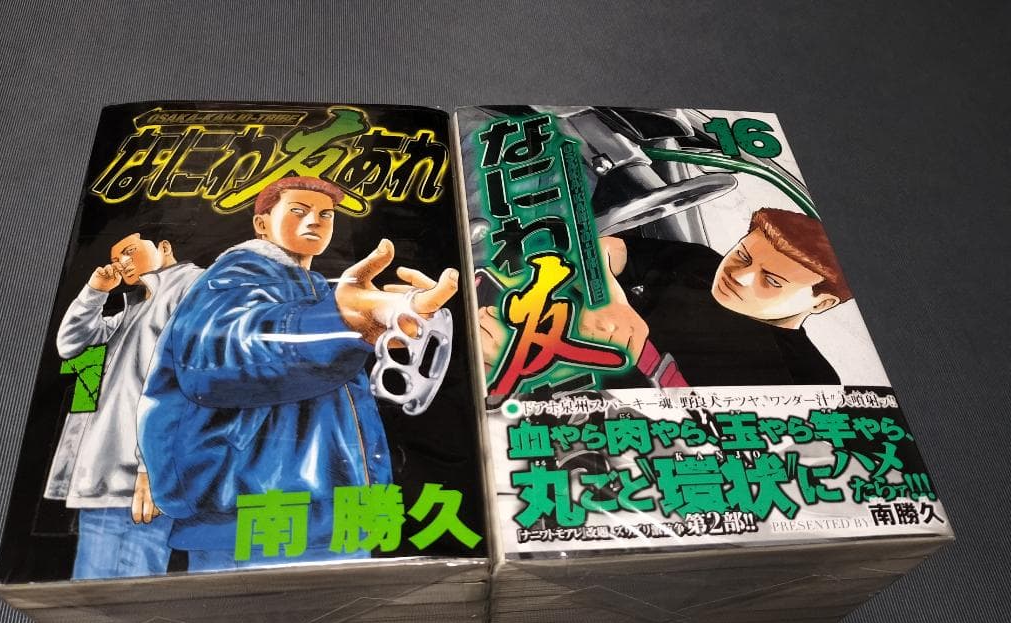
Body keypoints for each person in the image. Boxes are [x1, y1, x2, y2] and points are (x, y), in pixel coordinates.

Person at [138, 175, 458, 572]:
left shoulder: (316, 290)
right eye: (298, 211)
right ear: (261, 223)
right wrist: (343, 321)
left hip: (330, 519)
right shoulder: (233, 277)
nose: (314, 221)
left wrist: (372, 323)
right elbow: (227, 350)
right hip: (260, 525)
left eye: (325, 214)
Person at [479, 208, 852, 387]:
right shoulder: (701, 264)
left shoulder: (808, 379)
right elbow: (601, 249)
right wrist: (609, 299)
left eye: (770, 281)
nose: (738, 276)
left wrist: (537, 370)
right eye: (742, 256)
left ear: (820, 303)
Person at [44, 233, 204, 579]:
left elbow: (187, 380)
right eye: (117, 258)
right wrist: (95, 292)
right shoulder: (135, 308)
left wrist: (154, 465)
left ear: (164, 247)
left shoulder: (192, 288)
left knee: (124, 583)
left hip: (138, 477)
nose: (122, 263)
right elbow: (71, 346)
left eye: (129, 252)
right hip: (106, 474)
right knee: (96, 585)